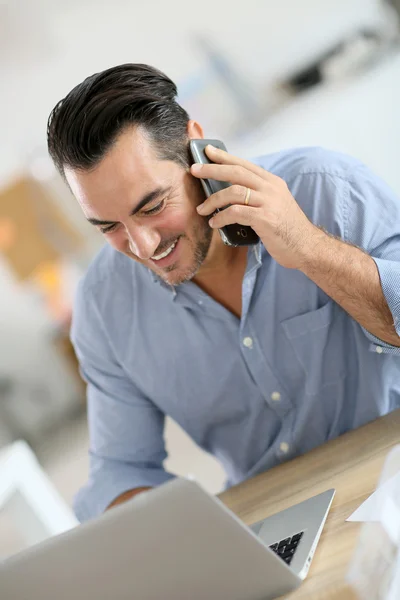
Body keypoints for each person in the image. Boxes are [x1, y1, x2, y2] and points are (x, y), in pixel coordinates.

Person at [47, 63, 400, 522]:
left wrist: (310, 247)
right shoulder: (103, 307)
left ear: (197, 145)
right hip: (274, 518)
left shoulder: (325, 189)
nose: (143, 246)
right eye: (109, 226)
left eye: (152, 206)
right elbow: (121, 468)